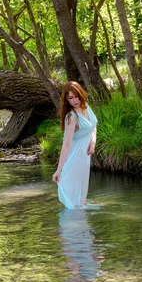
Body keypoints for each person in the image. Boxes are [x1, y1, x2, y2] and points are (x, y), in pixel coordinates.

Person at [52, 81, 98, 209]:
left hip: (84, 157)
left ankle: (81, 226)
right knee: (74, 198)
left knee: (83, 193)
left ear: (81, 94)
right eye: (71, 98)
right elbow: (66, 145)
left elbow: (93, 127)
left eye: (77, 96)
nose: (75, 100)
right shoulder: (71, 117)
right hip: (75, 158)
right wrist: (58, 170)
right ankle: (71, 226)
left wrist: (93, 143)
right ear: (66, 99)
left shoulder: (86, 106)